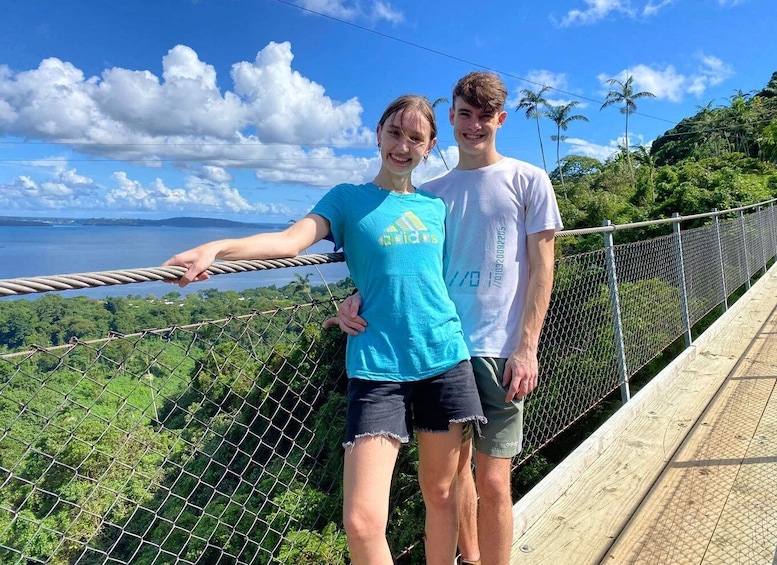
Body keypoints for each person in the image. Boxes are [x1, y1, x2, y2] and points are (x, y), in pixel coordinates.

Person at [163, 94, 485, 565]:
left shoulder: (434, 207)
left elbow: (435, 278)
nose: (403, 145)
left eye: (415, 137)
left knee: (441, 493)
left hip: (443, 357)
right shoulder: (347, 199)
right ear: (378, 135)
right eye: (395, 133)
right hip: (378, 368)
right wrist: (217, 248)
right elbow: (289, 242)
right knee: (362, 521)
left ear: (430, 144)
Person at [325, 72, 563, 565]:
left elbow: (544, 268)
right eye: (465, 114)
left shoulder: (528, 180)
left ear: (501, 119)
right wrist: (358, 295)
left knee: (493, 481)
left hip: (498, 350)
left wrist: (527, 347)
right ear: (451, 118)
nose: (474, 126)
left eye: (485, 117)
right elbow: (404, 262)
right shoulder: (431, 194)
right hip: (442, 350)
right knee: (451, 484)